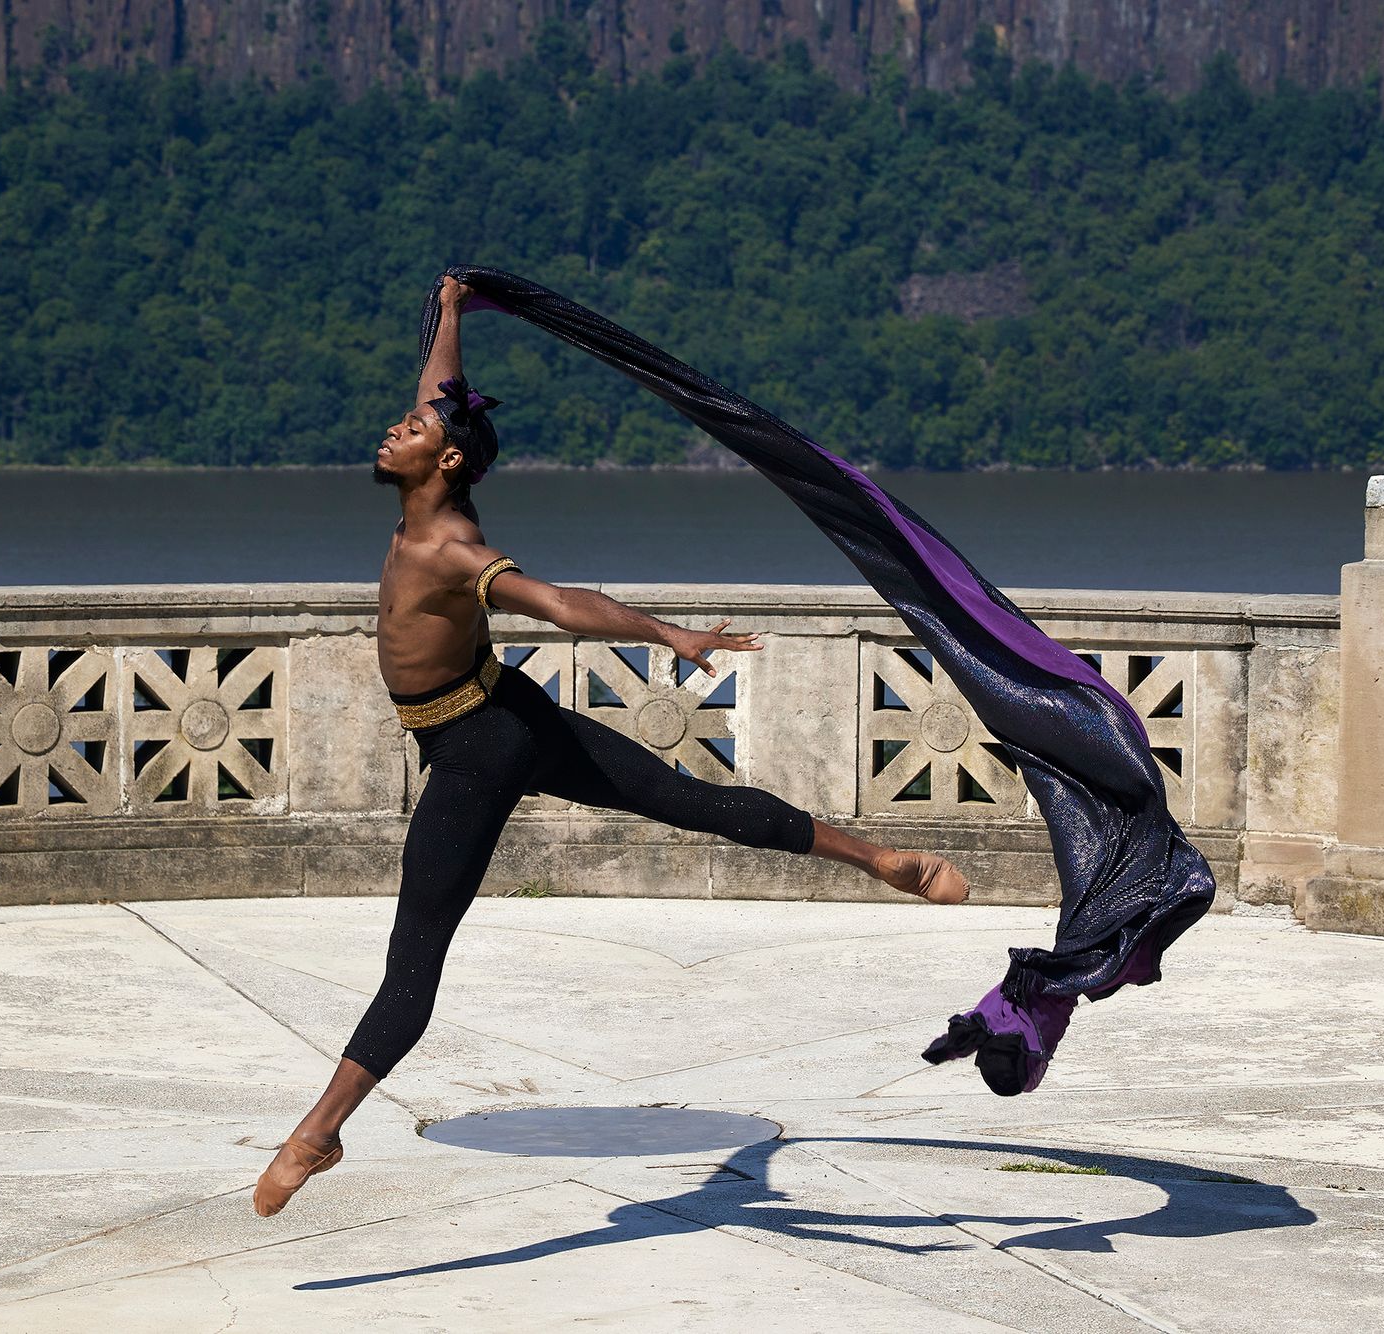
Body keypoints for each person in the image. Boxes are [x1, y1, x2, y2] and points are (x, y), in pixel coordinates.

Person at [252, 275, 970, 1217]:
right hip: (504, 716)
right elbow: (441, 386)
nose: (397, 429)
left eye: (416, 431)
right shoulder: (424, 500)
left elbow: (562, 605)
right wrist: (455, 311)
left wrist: (666, 635)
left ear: (451, 464)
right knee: (687, 797)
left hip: (479, 747)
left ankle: (319, 1132)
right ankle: (877, 857)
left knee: (414, 956)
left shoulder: (452, 551)